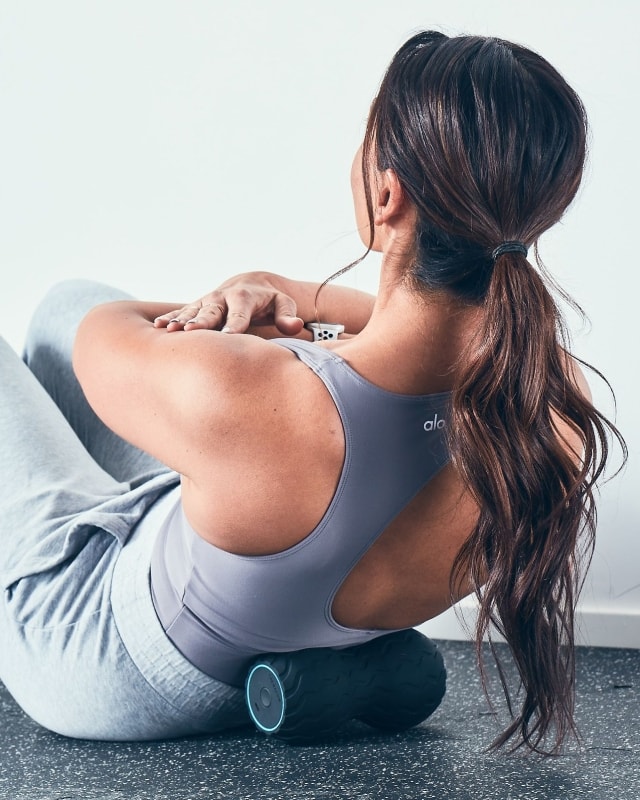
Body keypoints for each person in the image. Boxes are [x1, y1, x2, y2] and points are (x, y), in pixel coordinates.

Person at [0, 31, 624, 754]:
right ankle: (325, 674)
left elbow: (97, 335)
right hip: (291, 628)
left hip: (104, 658)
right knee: (173, 414)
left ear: (386, 192)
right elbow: (419, 336)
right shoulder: (552, 401)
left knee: (64, 306)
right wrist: (283, 295)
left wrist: (241, 329)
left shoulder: (256, 395)